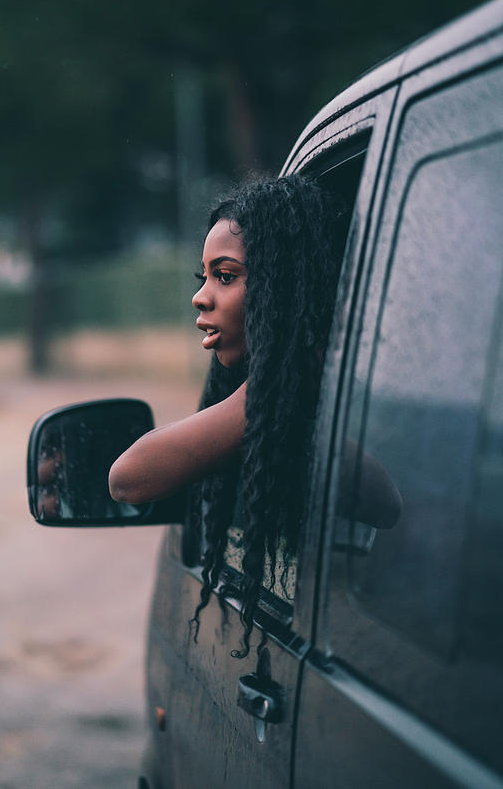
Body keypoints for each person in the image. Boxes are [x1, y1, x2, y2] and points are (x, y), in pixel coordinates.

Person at [109, 173, 397, 657]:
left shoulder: (348, 403)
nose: (201, 296)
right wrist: (272, 386)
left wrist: (281, 383)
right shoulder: (259, 402)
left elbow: (388, 504)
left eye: (224, 276)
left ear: (284, 291)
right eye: (203, 277)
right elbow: (128, 480)